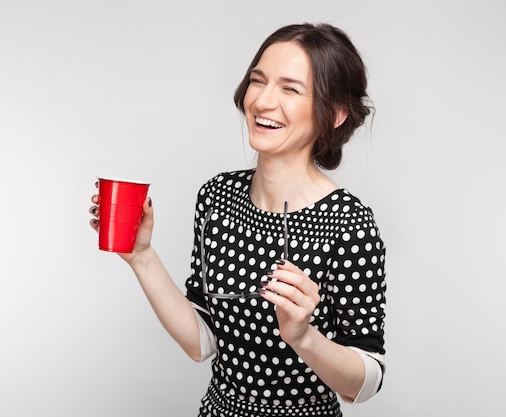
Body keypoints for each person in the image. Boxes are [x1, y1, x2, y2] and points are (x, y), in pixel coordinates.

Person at [89, 22, 386, 417]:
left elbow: (365, 382)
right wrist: (141, 256)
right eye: (258, 81)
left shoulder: (349, 224)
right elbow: (203, 341)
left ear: (335, 114)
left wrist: (303, 336)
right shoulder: (217, 198)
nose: (263, 101)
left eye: (291, 88)